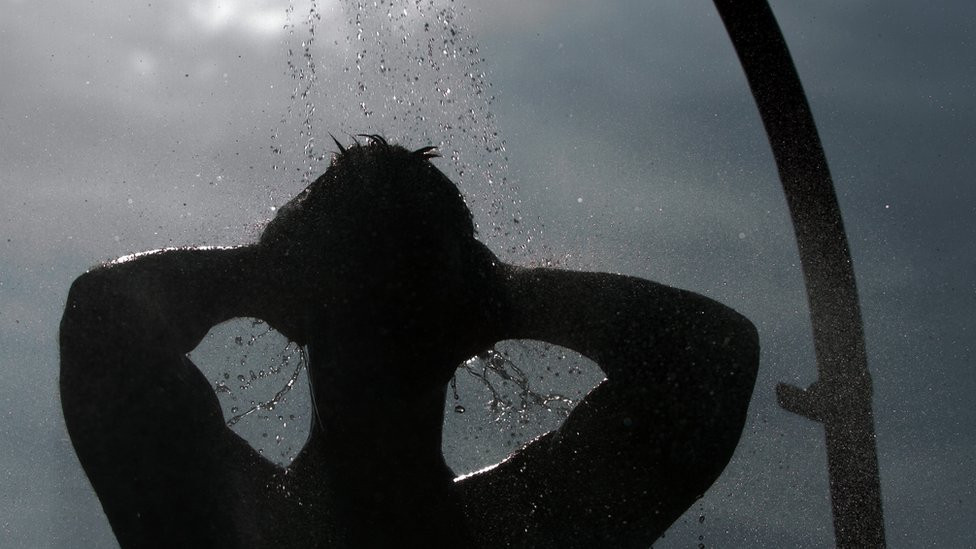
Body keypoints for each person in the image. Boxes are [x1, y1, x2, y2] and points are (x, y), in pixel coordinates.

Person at [60, 136, 759, 548]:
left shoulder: (228, 525)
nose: (383, 325)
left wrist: (264, 274)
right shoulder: (525, 531)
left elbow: (104, 322)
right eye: (364, 294)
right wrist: (500, 295)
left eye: (402, 297)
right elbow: (708, 359)